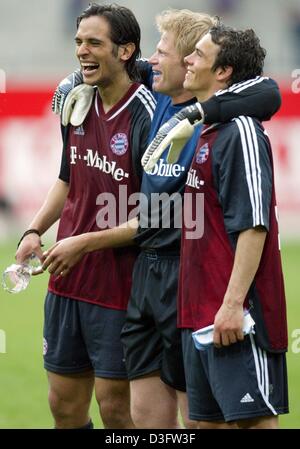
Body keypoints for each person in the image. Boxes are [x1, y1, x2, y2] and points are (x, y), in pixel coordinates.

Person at [46, 9, 282, 428]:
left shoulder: (216, 123)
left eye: (164, 52)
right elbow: (116, 60)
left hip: (185, 275)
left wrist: (83, 241)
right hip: (146, 277)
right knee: (145, 419)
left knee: (204, 419)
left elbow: (269, 92)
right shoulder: (157, 95)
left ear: (196, 62)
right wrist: (72, 80)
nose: (153, 60)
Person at [16, 3, 155, 429]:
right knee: (63, 405)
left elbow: (156, 217)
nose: (82, 51)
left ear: (126, 50)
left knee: (115, 408)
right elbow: (66, 178)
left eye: (95, 42)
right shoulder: (75, 102)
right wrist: (35, 229)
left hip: (119, 286)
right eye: (79, 42)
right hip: (66, 278)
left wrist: (82, 243)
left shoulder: (147, 115)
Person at [179, 25, 289, 429]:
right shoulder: (210, 127)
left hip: (236, 318)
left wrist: (232, 305)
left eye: (199, 55)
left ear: (223, 71)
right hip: (200, 314)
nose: (188, 60)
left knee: (253, 423)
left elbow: (254, 224)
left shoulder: (240, 130)